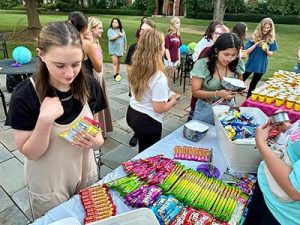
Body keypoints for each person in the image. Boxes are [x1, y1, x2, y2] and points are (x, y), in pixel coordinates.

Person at [5, 21, 105, 219]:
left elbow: (97, 130)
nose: (69, 74)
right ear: (41, 54)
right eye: (59, 65)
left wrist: (97, 141)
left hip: (86, 171)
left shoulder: (90, 85)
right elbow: (30, 153)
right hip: (48, 183)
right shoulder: (25, 95)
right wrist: (44, 120)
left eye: (76, 64)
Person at [126, 30, 178, 153]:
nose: (164, 47)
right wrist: (173, 101)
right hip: (148, 121)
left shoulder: (136, 67)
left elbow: (147, 90)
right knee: (147, 157)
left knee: (143, 150)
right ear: (157, 49)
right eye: (162, 45)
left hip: (132, 112)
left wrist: (167, 92)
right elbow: (159, 108)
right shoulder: (158, 76)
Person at [244, 118, 300, 225]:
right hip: (269, 191)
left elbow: (295, 190)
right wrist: (289, 129)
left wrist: (260, 143)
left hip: (283, 214)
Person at [191, 33, 245, 125]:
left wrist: (240, 89)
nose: (229, 59)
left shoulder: (237, 63)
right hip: (206, 109)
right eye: (226, 54)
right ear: (216, 50)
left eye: (233, 55)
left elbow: (240, 83)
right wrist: (218, 93)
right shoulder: (202, 64)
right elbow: (195, 92)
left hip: (229, 108)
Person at [188, 21, 229, 121]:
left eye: (223, 34)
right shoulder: (206, 47)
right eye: (217, 33)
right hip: (204, 92)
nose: (219, 35)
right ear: (211, 33)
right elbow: (197, 60)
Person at [125, 19, 156, 147]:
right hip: (137, 86)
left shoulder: (155, 49)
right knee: (136, 110)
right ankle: (136, 133)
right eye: (141, 30)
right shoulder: (134, 47)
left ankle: (140, 133)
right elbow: (128, 67)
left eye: (146, 31)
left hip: (150, 89)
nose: (142, 33)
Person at [88, 16, 113, 138]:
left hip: (100, 76)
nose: (102, 30)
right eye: (100, 28)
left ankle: (103, 130)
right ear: (92, 29)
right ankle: (97, 132)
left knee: (102, 104)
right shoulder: (89, 45)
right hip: (94, 78)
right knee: (97, 107)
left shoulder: (96, 42)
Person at [243, 18, 278, 98]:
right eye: (264, 27)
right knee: (240, 81)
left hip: (261, 65)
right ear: (261, 26)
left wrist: (266, 50)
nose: (266, 29)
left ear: (271, 28)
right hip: (250, 64)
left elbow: (270, 54)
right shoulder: (254, 37)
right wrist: (255, 44)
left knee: (253, 85)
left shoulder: (271, 39)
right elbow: (246, 52)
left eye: (268, 28)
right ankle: (231, 97)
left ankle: (247, 102)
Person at [107, 18, 127, 82]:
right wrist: (118, 35)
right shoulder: (110, 30)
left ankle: (118, 74)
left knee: (118, 63)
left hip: (120, 49)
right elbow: (111, 38)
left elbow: (125, 41)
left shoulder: (122, 31)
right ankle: (115, 75)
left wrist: (125, 48)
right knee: (115, 63)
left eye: (116, 22)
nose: (114, 23)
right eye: (113, 22)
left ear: (119, 24)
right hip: (113, 49)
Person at [164, 16, 181, 85]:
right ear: (173, 24)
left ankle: (168, 90)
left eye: (179, 23)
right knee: (167, 75)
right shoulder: (168, 36)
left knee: (171, 76)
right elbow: (166, 49)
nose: (179, 24)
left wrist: (179, 59)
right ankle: (164, 90)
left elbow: (178, 48)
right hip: (169, 60)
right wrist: (169, 61)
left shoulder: (178, 36)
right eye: (177, 23)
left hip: (175, 60)